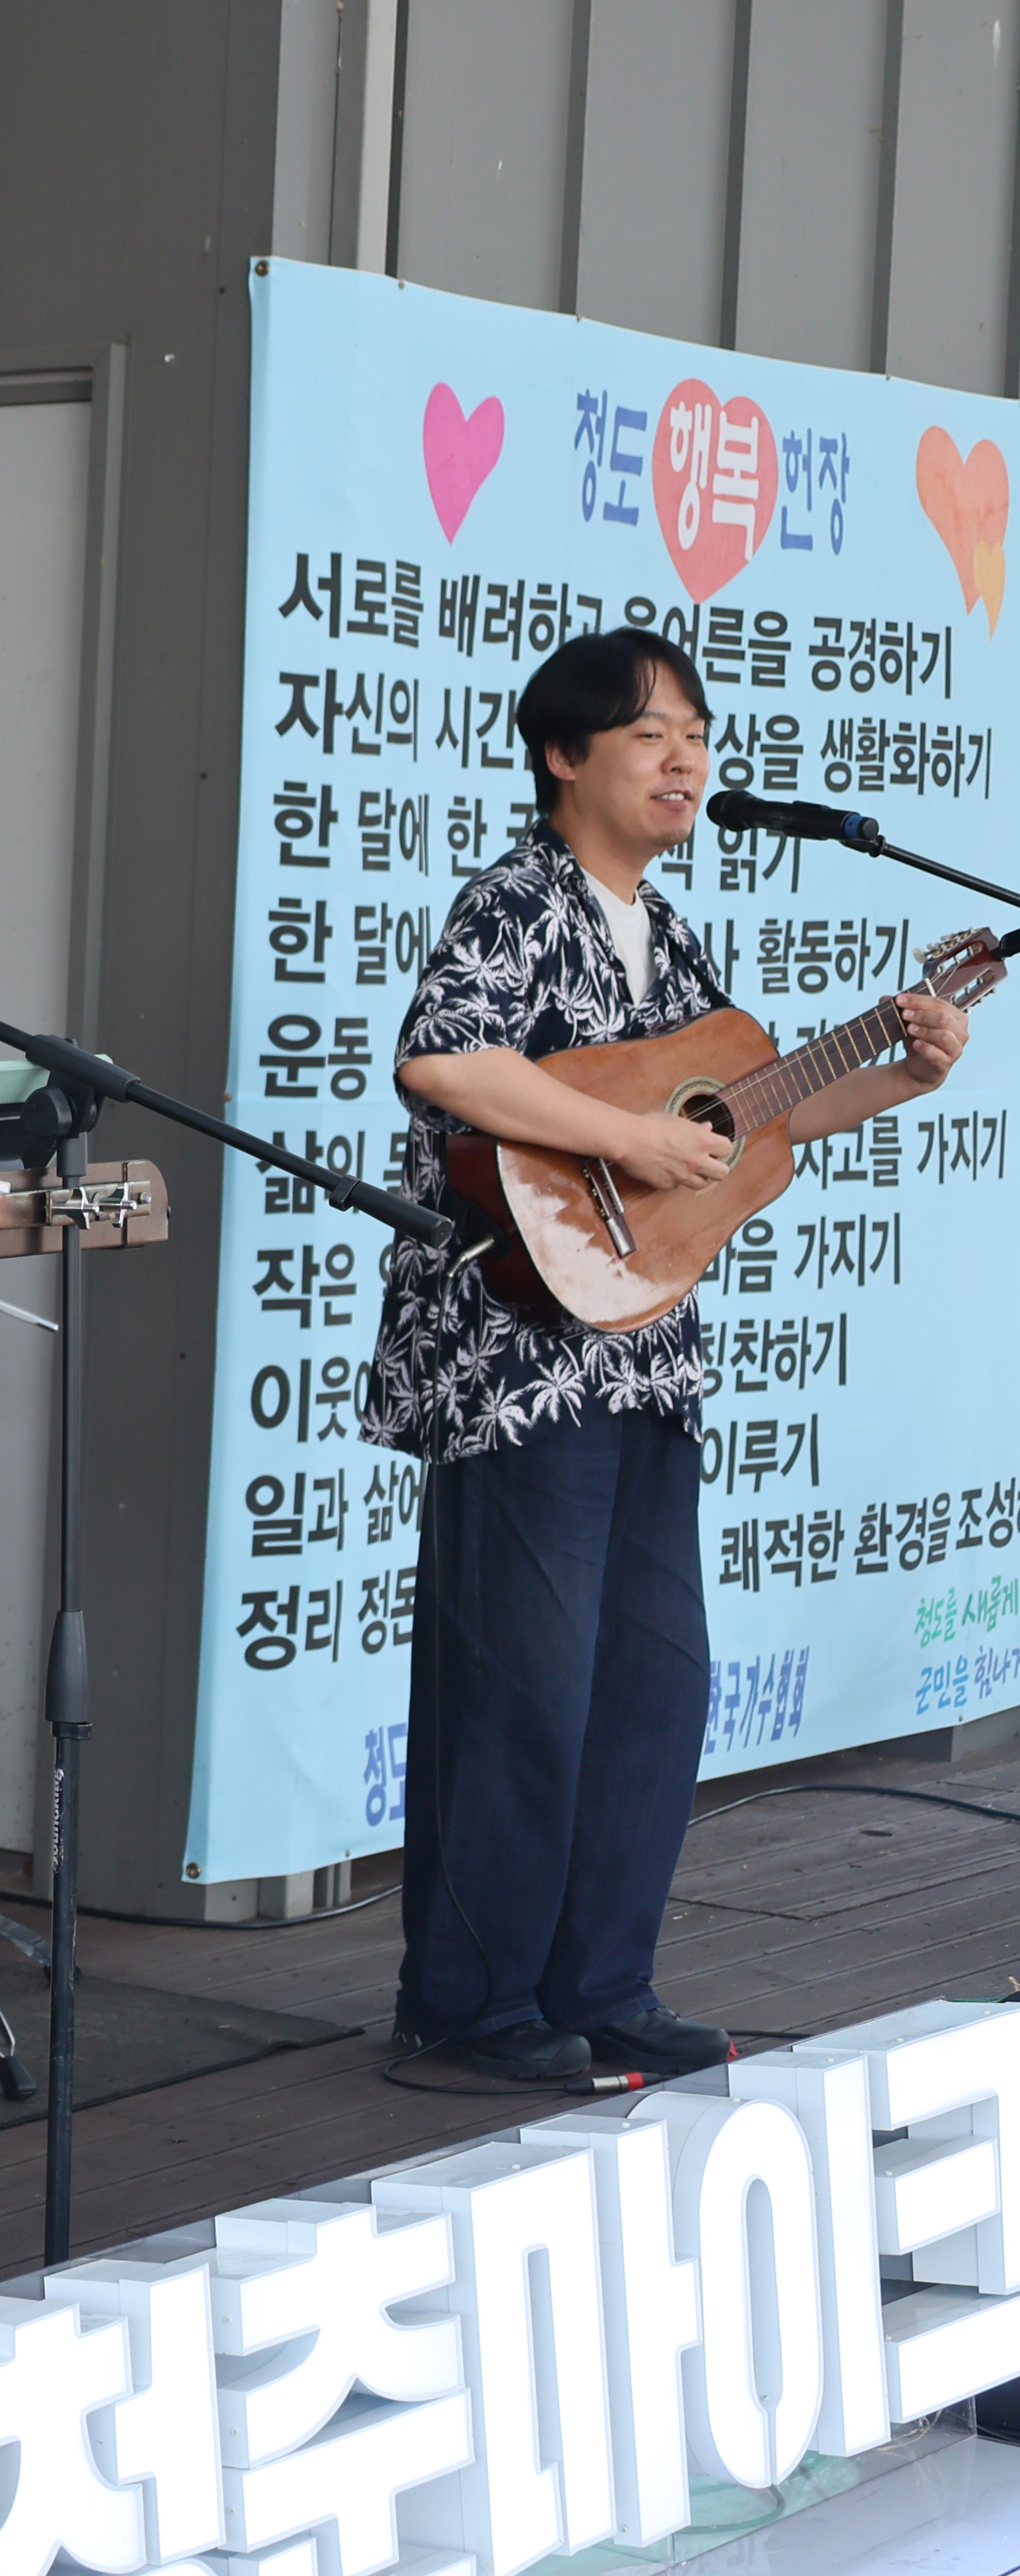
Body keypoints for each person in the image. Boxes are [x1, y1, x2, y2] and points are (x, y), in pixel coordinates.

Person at [371, 627, 965, 2081]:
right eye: (651, 733)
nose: (686, 759)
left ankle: (602, 1984)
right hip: (519, 1358)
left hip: (644, 1351)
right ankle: (468, 2010)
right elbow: (443, 1059)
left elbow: (750, 1122)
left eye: (696, 734)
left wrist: (901, 1069)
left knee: (652, 1681)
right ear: (563, 755)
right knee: (524, 1683)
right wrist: (630, 1135)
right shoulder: (518, 899)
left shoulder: (673, 934)